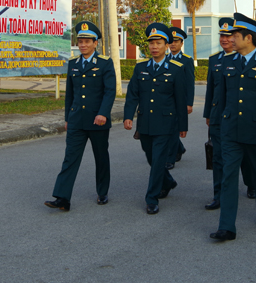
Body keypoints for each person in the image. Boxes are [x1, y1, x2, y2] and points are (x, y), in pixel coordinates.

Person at [210, 13, 256, 241]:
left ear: (249, 38)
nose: (230, 39)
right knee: (228, 176)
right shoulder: (227, 63)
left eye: (235, 35)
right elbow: (220, 98)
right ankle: (227, 226)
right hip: (230, 130)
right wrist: (217, 125)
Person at [45, 21, 116, 211]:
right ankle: (62, 197)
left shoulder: (104, 63)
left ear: (95, 43)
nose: (83, 45)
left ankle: (102, 191)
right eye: (80, 41)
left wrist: (103, 114)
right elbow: (70, 94)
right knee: (70, 158)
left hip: (97, 120)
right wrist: (68, 117)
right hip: (77, 120)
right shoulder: (73, 64)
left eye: (87, 41)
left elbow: (110, 92)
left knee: (101, 157)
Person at [124, 23, 188, 215]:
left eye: (158, 43)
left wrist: (182, 125)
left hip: (166, 124)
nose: (154, 46)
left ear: (166, 45)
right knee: (151, 157)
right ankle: (168, 181)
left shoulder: (176, 69)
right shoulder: (140, 67)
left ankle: (151, 198)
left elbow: (180, 99)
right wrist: (128, 116)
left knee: (159, 158)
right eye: (151, 43)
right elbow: (132, 95)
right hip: (145, 123)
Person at [203, 18, 256, 211]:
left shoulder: (246, 58)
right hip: (219, 116)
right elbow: (212, 90)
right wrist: (208, 113)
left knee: (246, 156)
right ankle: (218, 195)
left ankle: (251, 183)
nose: (225, 40)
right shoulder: (215, 60)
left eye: (229, 36)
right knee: (218, 157)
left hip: (242, 117)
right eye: (222, 36)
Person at [164, 26, 195, 169]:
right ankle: (179, 148)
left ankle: (170, 158)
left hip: (180, 100)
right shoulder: (163, 59)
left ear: (182, 43)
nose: (173, 44)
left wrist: (189, 103)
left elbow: (190, 83)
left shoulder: (187, 60)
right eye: (171, 41)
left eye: (176, 41)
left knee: (174, 127)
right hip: (167, 100)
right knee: (169, 128)